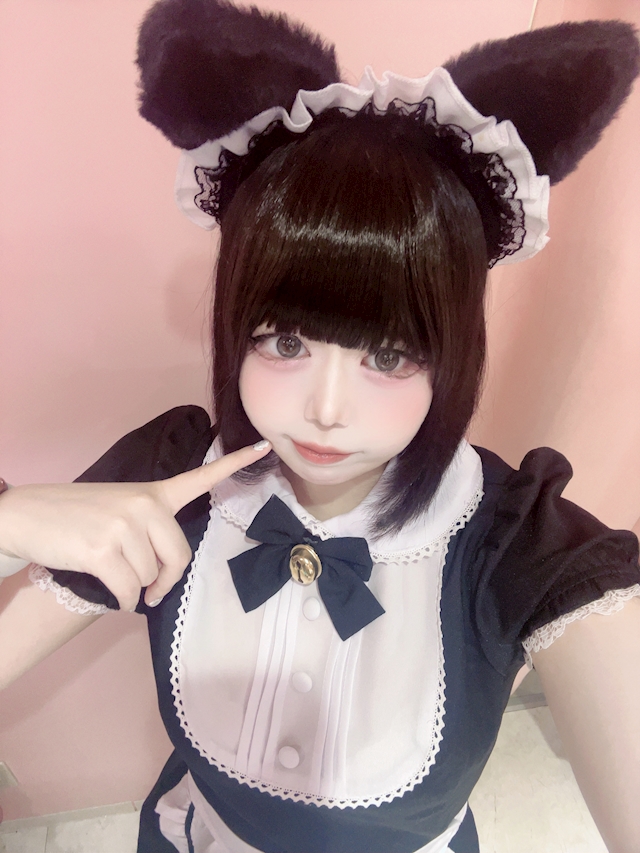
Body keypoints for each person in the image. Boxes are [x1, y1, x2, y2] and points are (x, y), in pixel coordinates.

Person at [1, 1, 640, 851]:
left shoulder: (513, 544)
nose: (327, 409)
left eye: (390, 354)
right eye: (286, 341)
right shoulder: (174, 472)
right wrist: (8, 518)